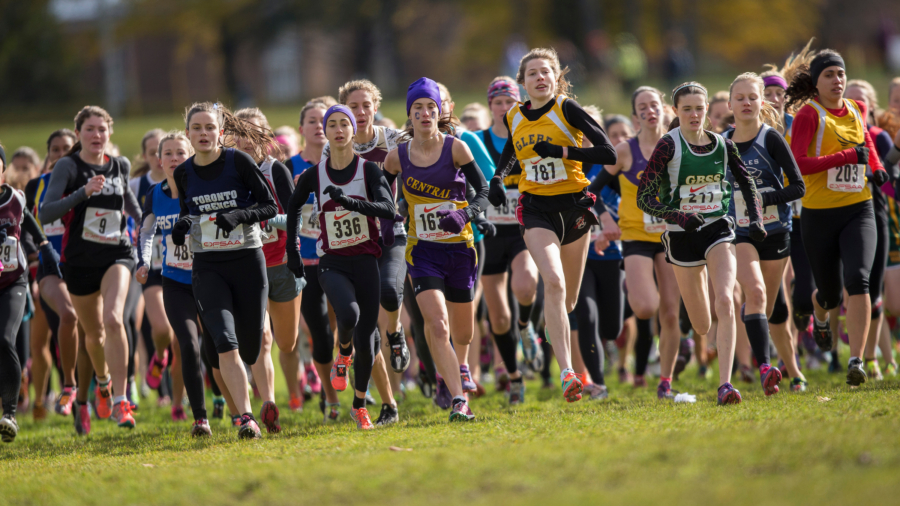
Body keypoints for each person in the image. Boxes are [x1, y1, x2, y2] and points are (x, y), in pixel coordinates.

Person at [489, 48, 617, 402]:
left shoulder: (566, 109)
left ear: (556, 77)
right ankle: (567, 373)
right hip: (535, 210)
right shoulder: (514, 114)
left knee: (568, 300)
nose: (540, 78)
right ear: (523, 81)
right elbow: (512, 151)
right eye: (532, 73)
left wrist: (562, 152)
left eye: (546, 72)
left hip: (574, 207)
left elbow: (608, 153)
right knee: (554, 282)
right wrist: (498, 178)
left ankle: (543, 327)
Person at [637, 81, 765, 405]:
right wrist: (678, 217)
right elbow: (644, 197)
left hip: (717, 228)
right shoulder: (668, 146)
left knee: (725, 300)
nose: (694, 114)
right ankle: (701, 348)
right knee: (701, 321)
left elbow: (746, 182)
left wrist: (756, 219)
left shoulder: (723, 144)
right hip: (681, 238)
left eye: (699, 108)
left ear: (707, 109)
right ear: (676, 112)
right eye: (687, 109)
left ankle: (725, 385)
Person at [285, 104, 397, 429]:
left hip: (366, 261)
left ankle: (360, 405)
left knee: (368, 341)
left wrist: (351, 203)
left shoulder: (369, 171)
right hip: (331, 261)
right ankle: (342, 354)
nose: (337, 129)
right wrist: (293, 251)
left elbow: (387, 208)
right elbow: (293, 207)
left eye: (343, 124)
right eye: (330, 124)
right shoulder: (314, 175)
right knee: (348, 316)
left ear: (352, 130)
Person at [171, 102, 278, 439]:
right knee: (225, 343)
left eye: (209, 127)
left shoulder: (239, 161)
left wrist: (239, 216)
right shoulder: (183, 172)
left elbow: (269, 206)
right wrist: (182, 224)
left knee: (251, 346)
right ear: (188, 133)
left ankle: (260, 401)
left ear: (220, 131)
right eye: (197, 128)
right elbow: (187, 212)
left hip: (247, 261)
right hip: (208, 268)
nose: (203, 134)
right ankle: (246, 418)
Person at [385, 77, 489, 421]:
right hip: (422, 251)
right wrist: (390, 219)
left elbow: (485, 192)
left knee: (463, 332)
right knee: (438, 325)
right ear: (410, 116)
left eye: (431, 107)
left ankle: (459, 367)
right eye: (418, 109)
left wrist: (465, 215)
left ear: (440, 111)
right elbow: (382, 195)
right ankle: (459, 400)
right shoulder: (397, 157)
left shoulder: (457, 148)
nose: (426, 113)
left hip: (460, 249)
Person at [785, 49, 889, 386]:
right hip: (818, 214)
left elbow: (866, 145)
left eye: (841, 74)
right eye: (829, 75)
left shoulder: (858, 109)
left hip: (859, 208)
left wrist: (876, 168)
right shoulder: (808, 116)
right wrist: (846, 156)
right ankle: (821, 315)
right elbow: (799, 164)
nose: (837, 80)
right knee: (829, 294)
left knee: (859, 281)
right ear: (816, 82)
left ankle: (856, 360)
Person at [40, 106, 142, 428]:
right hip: (80, 261)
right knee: (94, 334)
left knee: (113, 319)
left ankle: (121, 401)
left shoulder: (120, 165)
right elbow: (46, 213)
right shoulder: (68, 167)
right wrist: (82, 193)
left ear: (109, 132)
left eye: (102, 129)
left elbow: (130, 203)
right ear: (79, 134)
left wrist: (143, 227)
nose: (96, 135)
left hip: (117, 254)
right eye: (89, 129)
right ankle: (102, 381)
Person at [587, 86, 682, 396]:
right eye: (642, 106)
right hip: (636, 237)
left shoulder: (679, 146)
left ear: (665, 109)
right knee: (644, 307)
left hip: (672, 236)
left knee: (670, 313)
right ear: (634, 115)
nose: (649, 110)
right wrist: (605, 217)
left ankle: (665, 381)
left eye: (654, 104)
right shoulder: (625, 151)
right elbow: (591, 191)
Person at [722, 72, 808, 393]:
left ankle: (787, 367)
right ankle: (764, 368)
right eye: (739, 98)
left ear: (762, 102)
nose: (746, 103)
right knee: (755, 293)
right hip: (739, 232)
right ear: (730, 103)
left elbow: (798, 186)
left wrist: (762, 198)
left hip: (776, 232)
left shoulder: (771, 138)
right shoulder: (722, 143)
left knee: (770, 308)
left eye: (752, 97)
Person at [136, 131, 213, 436]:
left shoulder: (205, 188)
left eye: (180, 153)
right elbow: (146, 232)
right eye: (167, 154)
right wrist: (142, 260)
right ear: (159, 160)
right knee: (188, 346)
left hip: (209, 277)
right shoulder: (154, 194)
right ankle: (197, 416)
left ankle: (232, 406)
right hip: (172, 279)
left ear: (191, 155)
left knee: (216, 348)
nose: (173, 159)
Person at [234, 107, 303, 431]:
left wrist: (259, 217)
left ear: (266, 137)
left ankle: (291, 381)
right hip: (249, 264)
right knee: (261, 338)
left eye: (254, 133)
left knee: (286, 343)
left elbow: (295, 219)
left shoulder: (275, 171)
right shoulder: (229, 173)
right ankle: (268, 402)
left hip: (282, 265)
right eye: (241, 133)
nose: (247, 140)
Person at [478, 76, 539, 404]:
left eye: (510, 102)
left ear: (519, 105)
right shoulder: (478, 140)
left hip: (521, 229)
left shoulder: (527, 138)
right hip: (490, 234)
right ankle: (514, 377)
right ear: (490, 106)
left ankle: (527, 325)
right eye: (498, 102)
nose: (504, 108)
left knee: (527, 282)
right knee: (498, 317)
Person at [0, 143, 63, 443]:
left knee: (5, 340)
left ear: (3, 170)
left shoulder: (15, 198)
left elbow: (34, 228)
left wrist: (46, 250)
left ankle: (10, 413)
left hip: (14, 282)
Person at [287, 99, 341, 423]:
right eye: (312, 120)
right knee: (320, 333)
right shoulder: (290, 166)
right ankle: (329, 395)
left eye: (326, 119)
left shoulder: (347, 164)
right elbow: (280, 214)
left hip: (340, 257)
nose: (319, 125)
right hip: (307, 262)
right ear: (301, 129)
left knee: (342, 324)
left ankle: (344, 370)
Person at [844, 80, 897, 379]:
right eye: (848, 100)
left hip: (874, 218)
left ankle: (867, 357)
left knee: (872, 293)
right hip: (836, 218)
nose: (854, 106)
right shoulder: (828, 137)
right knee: (851, 286)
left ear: (871, 107)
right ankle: (858, 357)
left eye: (861, 102)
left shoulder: (878, 137)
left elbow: (892, 184)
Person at [24, 129, 78, 424]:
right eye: (55, 149)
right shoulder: (36, 186)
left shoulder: (84, 186)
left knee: (81, 332)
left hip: (79, 266)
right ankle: (41, 395)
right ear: (48, 155)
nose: (59, 154)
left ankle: (82, 397)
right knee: (41, 339)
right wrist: (37, 254)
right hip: (43, 269)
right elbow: (27, 228)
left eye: (66, 149)